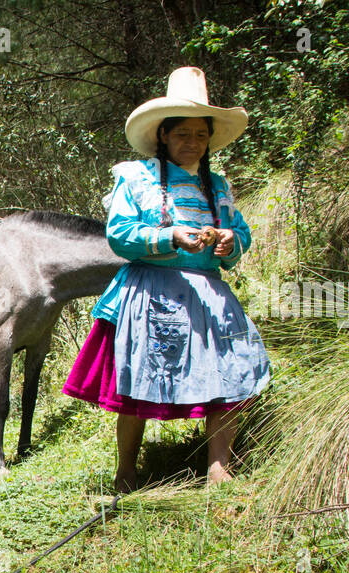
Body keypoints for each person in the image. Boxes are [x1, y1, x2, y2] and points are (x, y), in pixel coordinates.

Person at [63, 67, 271, 492]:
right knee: (140, 378)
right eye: (182, 135)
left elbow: (241, 234)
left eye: (200, 135)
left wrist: (229, 241)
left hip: (209, 295)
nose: (192, 143)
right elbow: (119, 235)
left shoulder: (217, 186)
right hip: (151, 293)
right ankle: (126, 469)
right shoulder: (136, 179)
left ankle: (218, 467)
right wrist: (168, 236)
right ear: (163, 136)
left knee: (229, 373)